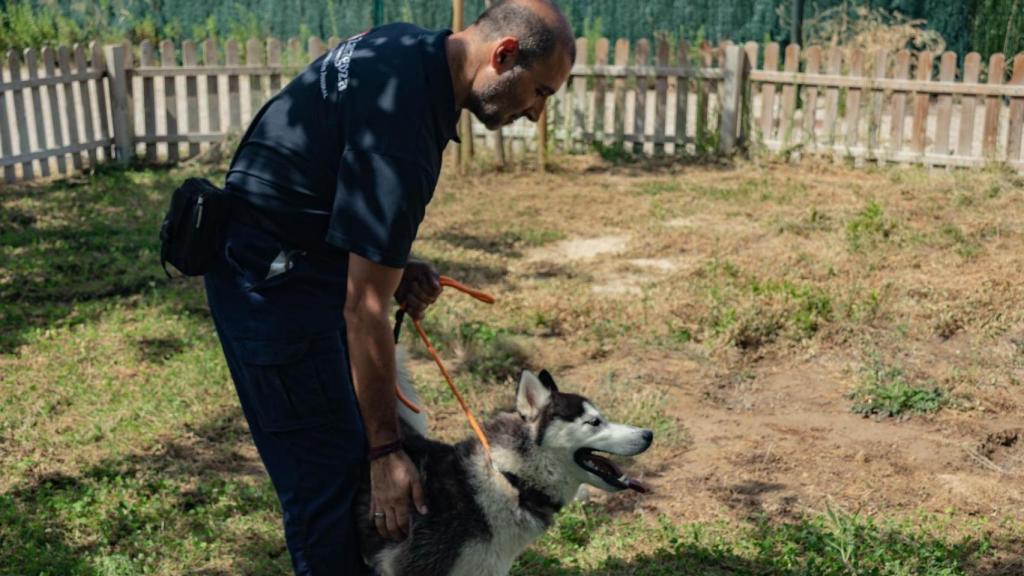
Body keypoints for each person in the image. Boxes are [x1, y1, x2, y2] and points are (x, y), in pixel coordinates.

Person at [203, 1, 575, 573]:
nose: (535, 115)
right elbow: (365, 308)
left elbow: (329, 178)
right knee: (328, 491)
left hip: (288, 260)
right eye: (541, 92)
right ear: (503, 55)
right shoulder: (403, 129)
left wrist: (391, 262)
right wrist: (385, 453)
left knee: (341, 478)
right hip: (271, 292)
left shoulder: (404, 48)